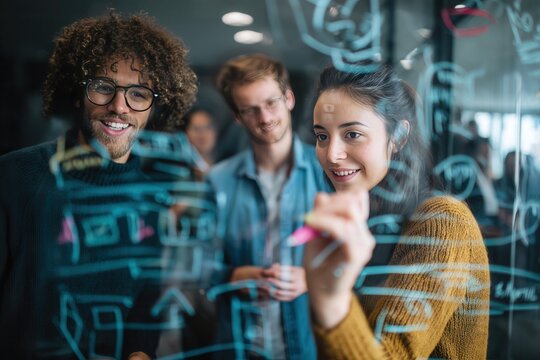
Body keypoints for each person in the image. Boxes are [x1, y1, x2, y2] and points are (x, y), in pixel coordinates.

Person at [0, 12, 203, 359]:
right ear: (78, 93)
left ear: (154, 107)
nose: (119, 106)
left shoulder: (156, 194)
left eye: (138, 93)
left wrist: (140, 352)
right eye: (103, 87)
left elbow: (146, 304)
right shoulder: (15, 176)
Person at [302, 65, 490, 359]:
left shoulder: (444, 220)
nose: (332, 154)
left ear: (399, 136)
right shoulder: (365, 218)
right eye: (322, 136)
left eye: (352, 134)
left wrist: (331, 299)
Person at [206, 54, 328, 359]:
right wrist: (232, 277)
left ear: (289, 98)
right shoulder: (218, 181)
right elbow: (197, 266)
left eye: (271, 102)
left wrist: (312, 280)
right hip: (239, 346)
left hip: (309, 344)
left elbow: (360, 258)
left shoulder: (328, 172)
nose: (264, 118)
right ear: (237, 116)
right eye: (250, 109)